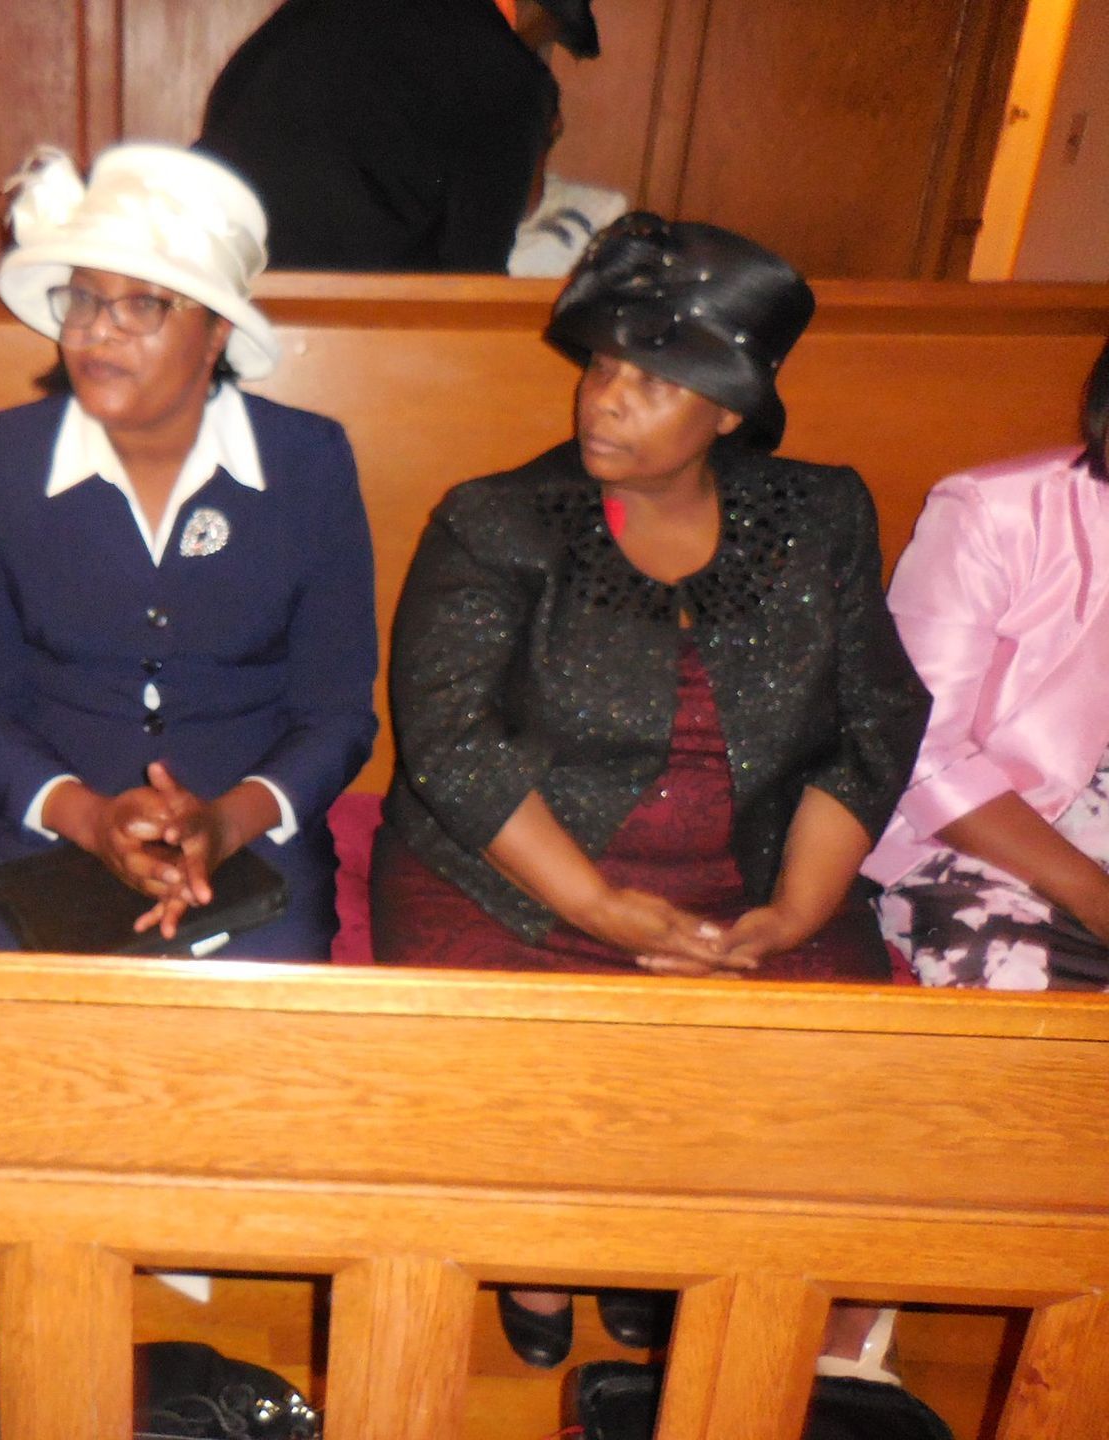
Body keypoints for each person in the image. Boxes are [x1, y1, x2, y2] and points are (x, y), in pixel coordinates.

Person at [371, 212, 931, 1368]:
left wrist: (795, 912)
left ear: (729, 411)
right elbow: (452, 744)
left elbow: (877, 722)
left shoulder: (820, 516)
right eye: (604, 366)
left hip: (757, 884)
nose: (607, 400)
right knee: (515, 1070)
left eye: (656, 378)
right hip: (516, 883)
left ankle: (672, 1253)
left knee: (830, 1084)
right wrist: (598, 910)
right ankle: (539, 1257)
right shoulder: (498, 518)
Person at [0, 143, 377, 960]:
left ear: (214, 335)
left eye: (143, 306)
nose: (98, 331)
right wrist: (89, 818)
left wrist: (229, 821)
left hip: (252, 840)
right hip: (48, 831)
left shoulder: (309, 465)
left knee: (267, 1064)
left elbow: (337, 712)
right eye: (84, 300)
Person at [865, 340, 1109, 991]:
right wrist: (1096, 897)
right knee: (1010, 983)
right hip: (999, 852)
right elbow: (915, 745)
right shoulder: (994, 513)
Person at [196, 0, 599, 272]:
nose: (543, 50)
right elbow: (473, 276)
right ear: (535, 10)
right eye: (551, 35)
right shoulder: (507, 74)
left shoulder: (316, 10)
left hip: (201, 263)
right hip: (338, 326)